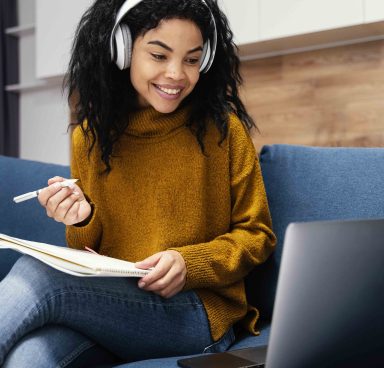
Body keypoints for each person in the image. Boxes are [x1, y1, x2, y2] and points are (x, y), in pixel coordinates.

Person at [0, 0, 276, 366]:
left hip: (195, 313)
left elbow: (257, 235)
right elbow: (88, 251)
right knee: (28, 356)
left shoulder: (223, 130)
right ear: (123, 50)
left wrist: (188, 263)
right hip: (114, 309)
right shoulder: (91, 138)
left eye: (192, 59)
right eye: (159, 56)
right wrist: (81, 219)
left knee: (37, 274)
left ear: (205, 61)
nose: (177, 73)